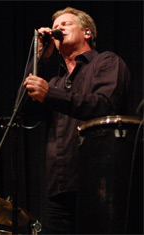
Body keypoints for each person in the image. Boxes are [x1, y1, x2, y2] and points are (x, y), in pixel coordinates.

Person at [23, 7, 130, 234]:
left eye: (65, 24)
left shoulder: (106, 62)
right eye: (55, 27)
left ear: (87, 33)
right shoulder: (55, 82)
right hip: (59, 189)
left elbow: (104, 105)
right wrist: (38, 57)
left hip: (100, 182)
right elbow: (24, 112)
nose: (57, 29)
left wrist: (50, 95)